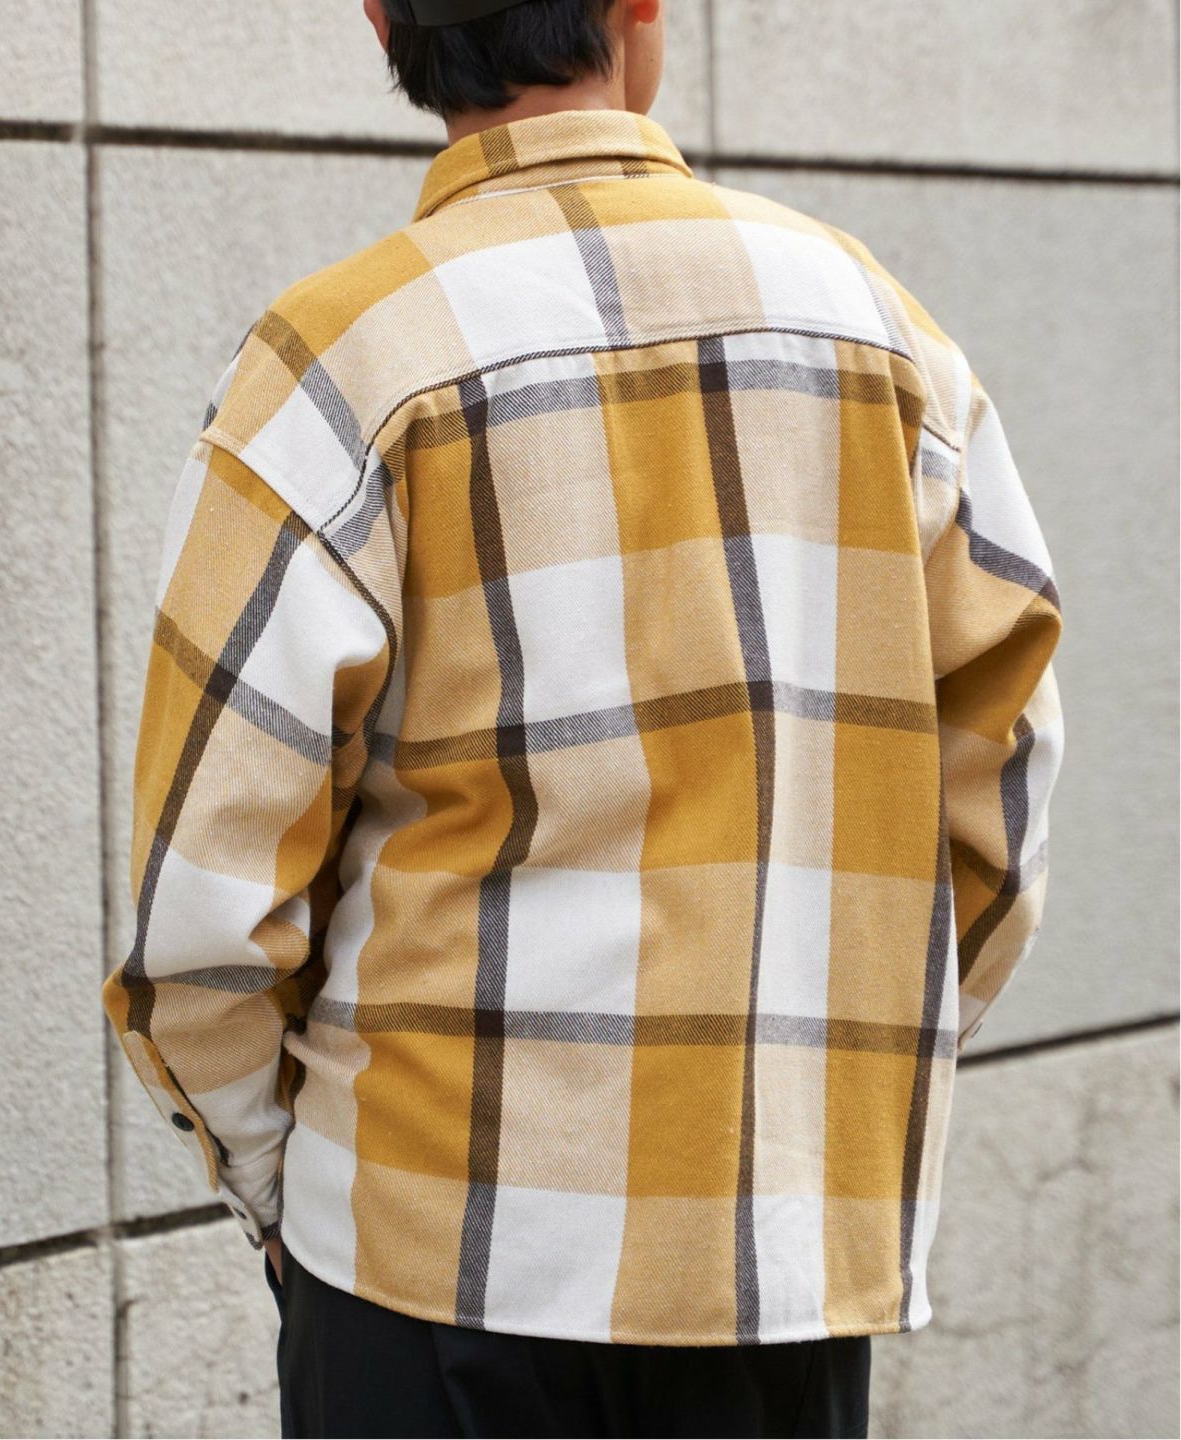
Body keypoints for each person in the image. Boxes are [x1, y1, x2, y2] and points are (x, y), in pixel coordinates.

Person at [100, 1, 1065, 1435]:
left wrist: (286, 1185)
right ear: (642, 6)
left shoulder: (337, 362)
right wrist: (836, 1067)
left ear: (382, 16)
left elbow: (205, 893)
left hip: (424, 1249)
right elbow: (1007, 786)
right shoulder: (878, 333)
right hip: (774, 1254)